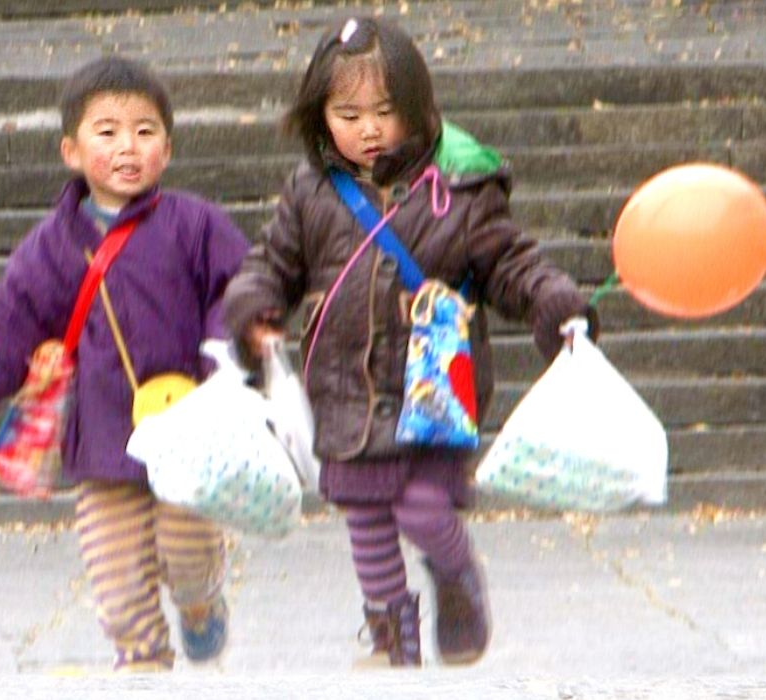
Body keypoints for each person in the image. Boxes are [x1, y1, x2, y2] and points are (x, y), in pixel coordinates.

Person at [223, 16, 597, 667]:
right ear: (321, 114)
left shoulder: (460, 190)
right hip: (345, 386)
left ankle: (457, 578)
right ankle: (392, 633)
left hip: (431, 389)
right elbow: (270, 264)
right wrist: (254, 308)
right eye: (348, 113)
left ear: (419, 109)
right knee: (365, 517)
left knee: (425, 506)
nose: (368, 128)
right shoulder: (310, 190)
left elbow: (513, 264)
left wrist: (553, 302)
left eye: (385, 111)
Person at [0, 55, 250, 672]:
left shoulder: (195, 225)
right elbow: (13, 320)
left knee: (186, 549)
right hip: (104, 440)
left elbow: (240, 289)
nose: (127, 147)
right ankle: (143, 663)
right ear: (71, 149)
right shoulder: (51, 246)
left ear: (166, 151)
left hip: (190, 431)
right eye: (107, 131)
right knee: (117, 588)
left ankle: (200, 602)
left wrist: (227, 353)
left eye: (145, 132)